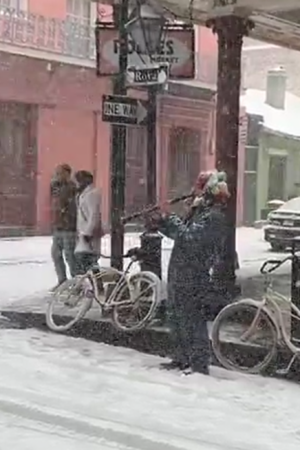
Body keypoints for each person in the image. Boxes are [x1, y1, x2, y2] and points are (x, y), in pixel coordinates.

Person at [155, 170, 230, 375]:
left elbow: (189, 238)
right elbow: (180, 235)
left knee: (192, 318)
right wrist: (162, 220)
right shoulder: (201, 213)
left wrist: (171, 218)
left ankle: (197, 363)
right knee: (176, 315)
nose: (194, 193)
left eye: (198, 189)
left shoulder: (214, 217)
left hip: (194, 273)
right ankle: (181, 357)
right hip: (181, 270)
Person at [50, 164, 77, 290]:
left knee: (70, 256)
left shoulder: (72, 188)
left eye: (60, 173)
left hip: (69, 227)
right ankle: (62, 280)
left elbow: (72, 207)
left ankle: (77, 282)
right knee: (56, 254)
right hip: (58, 226)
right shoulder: (56, 187)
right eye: (57, 173)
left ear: (67, 173)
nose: (57, 175)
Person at [74, 170, 103, 274]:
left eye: (78, 180)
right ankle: (92, 286)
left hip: (88, 235)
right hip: (83, 233)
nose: (77, 183)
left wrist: (88, 232)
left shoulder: (92, 194)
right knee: (87, 262)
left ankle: (94, 287)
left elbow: (93, 215)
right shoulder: (82, 194)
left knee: (87, 260)